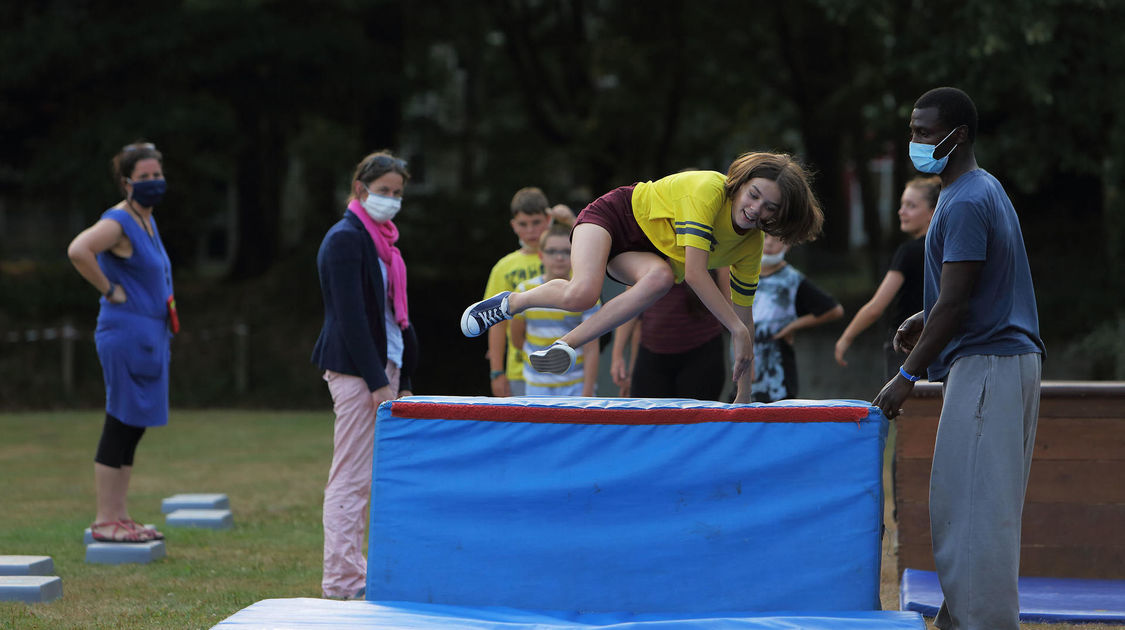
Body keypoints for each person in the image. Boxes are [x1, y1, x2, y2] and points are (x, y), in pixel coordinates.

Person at [872, 87, 1045, 630]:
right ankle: (957, 618)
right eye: (913, 131)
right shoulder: (971, 190)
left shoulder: (968, 199)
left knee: (974, 516)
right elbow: (969, 293)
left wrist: (906, 375)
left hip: (990, 366)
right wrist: (926, 320)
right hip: (998, 360)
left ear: (959, 134)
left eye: (925, 132)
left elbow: (956, 302)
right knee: (969, 508)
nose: (915, 142)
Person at [461, 152, 824, 403]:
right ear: (740, 183)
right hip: (615, 217)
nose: (755, 209)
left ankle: (565, 347)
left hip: (646, 255)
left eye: (769, 208)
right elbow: (698, 274)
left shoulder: (751, 246)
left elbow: (745, 318)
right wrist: (737, 329)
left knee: (660, 280)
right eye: (753, 195)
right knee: (582, 294)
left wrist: (743, 397)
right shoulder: (709, 191)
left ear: (778, 216)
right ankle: (510, 302)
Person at [311, 150, 418, 600]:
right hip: (359, 372)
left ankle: (357, 571)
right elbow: (352, 318)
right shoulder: (345, 239)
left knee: (369, 477)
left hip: (384, 368)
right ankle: (341, 579)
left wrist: (403, 377)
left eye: (397, 193)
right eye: (383, 191)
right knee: (350, 475)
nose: (391, 200)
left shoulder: (385, 245)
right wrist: (377, 382)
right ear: (360, 189)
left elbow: (397, 318)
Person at [67, 140, 174, 543]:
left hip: (148, 334)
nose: (153, 182)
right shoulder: (118, 220)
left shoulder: (147, 219)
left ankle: (120, 515)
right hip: (125, 332)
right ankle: (104, 519)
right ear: (127, 182)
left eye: (157, 175)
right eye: (144, 177)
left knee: (134, 427)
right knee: (120, 420)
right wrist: (110, 289)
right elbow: (79, 250)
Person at [834, 176, 941, 379]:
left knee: (901, 409)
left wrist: (846, 338)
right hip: (938, 343)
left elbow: (876, 307)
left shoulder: (909, 251)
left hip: (905, 345)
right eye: (902, 205)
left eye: (911, 206)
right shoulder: (946, 249)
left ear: (932, 212)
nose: (902, 211)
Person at [480, 188, 574, 397]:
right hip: (519, 368)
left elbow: (595, 252)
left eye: (536, 222)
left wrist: (571, 222)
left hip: (570, 369)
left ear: (548, 220)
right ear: (513, 225)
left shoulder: (566, 257)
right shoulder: (504, 267)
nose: (531, 230)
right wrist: (496, 372)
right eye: (523, 224)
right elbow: (496, 322)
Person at [509, 224, 601, 396]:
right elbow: (516, 338)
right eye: (552, 251)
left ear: (575, 255)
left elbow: (591, 348)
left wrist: (587, 391)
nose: (559, 257)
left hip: (576, 386)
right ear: (541, 255)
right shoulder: (524, 291)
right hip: (536, 385)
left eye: (566, 251)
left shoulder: (587, 294)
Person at [751, 234, 844, 402]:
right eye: (765, 237)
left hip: (777, 373)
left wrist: (792, 326)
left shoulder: (792, 279)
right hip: (745, 369)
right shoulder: (744, 273)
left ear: (787, 245)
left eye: (777, 238)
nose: (770, 243)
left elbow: (834, 310)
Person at [610, 270, 729, 400]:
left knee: (696, 416)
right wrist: (617, 354)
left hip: (702, 350)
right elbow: (631, 302)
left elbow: (729, 301)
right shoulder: (649, 254)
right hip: (652, 352)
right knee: (648, 416)